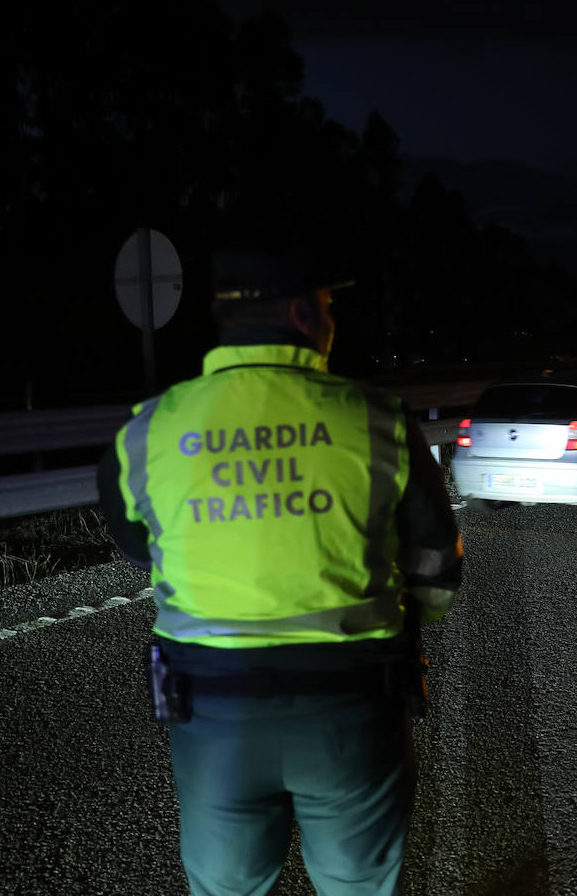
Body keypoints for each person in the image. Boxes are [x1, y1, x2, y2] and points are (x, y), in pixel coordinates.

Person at [97, 242, 462, 895]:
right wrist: (409, 615)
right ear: (301, 312)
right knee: (359, 886)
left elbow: (136, 544)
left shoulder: (148, 431)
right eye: (326, 304)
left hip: (210, 714)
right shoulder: (377, 420)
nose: (331, 317)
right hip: (352, 709)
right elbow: (436, 566)